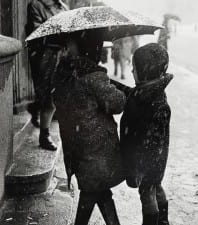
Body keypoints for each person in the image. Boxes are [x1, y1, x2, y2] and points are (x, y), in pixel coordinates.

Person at [53, 30, 126, 225]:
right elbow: (116, 104)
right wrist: (118, 91)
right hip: (96, 148)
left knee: (99, 191)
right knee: (92, 192)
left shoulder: (64, 73)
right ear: (93, 50)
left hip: (76, 144)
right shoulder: (93, 76)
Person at [112, 43, 173, 225]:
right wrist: (110, 82)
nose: (132, 71)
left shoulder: (155, 102)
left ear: (145, 71)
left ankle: (153, 222)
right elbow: (131, 93)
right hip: (156, 161)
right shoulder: (150, 92)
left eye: (135, 68)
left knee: (147, 194)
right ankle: (163, 221)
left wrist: (141, 166)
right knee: (156, 187)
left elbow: (153, 141)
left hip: (147, 160)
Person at [26, 0, 68, 150]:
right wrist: (58, 28)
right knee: (48, 95)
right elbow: (36, 31)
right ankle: (44, 136)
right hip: (46, 55)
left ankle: (35, 108)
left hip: (62, 54)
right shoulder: (36, 5)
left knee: (55, 94)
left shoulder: (62, 6)